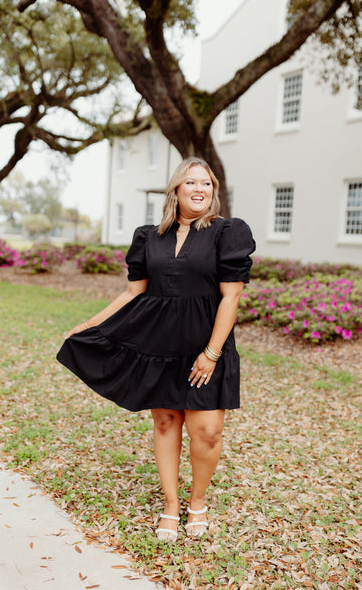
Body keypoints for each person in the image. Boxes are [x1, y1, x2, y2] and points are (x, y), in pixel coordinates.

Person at [57, 157, 255, 542]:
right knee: (165, 422)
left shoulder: (226, 233)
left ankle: (197, 502)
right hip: (158, 343)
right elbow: (134, 292)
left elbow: (230, 299)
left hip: (205, 345)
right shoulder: (150, 236)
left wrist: (211, 354)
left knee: (208, 431)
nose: (200, 189)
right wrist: (90, 324)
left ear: (213, 192)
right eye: (191, 182)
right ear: (176, 190)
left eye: (207, 184)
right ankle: (170, 503)